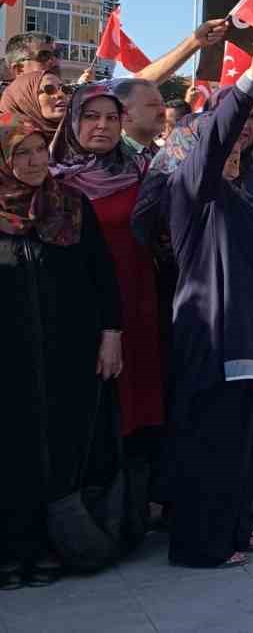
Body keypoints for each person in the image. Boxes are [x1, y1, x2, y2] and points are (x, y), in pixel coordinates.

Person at [145, 49, 253, 566]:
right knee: (210, 445)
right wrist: (250, 79)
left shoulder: (243, 199)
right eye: (221, 146)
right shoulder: (193, 194)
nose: (232, 154)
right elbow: (211, 144)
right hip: (215, 339)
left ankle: (230, 531)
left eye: (236, 150)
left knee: (240, 446)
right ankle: (199, 544)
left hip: (251, 345)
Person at [1, 110, 123, 585]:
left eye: (37, 150)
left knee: (64, 445)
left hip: (68, 351)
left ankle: (57, 546)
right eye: (20, 153)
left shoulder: (69, 204)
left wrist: (111, 334)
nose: (33, 161)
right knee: (12, 450)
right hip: (11, 356)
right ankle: (13, 550)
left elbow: (101, 275)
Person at [48, 83, 167, 513]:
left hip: (136, 304)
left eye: (111, 118)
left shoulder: (140, 172)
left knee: (136, 405)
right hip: (78, 311)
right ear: (72, 121)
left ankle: (130, 508)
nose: (102, 126)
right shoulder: (46, 177)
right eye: (91, 117)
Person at [0, 70, 70, 143]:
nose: (61, 95)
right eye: (49, 89)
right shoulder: (6, 140)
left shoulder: (75, 135)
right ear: (24, 99)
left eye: (64, 89)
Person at [107, 77, 166, 165]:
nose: (163, 110)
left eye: (162, 104)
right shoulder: (105, 158)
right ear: (125, 113)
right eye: (153, 105)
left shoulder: (166, 156)